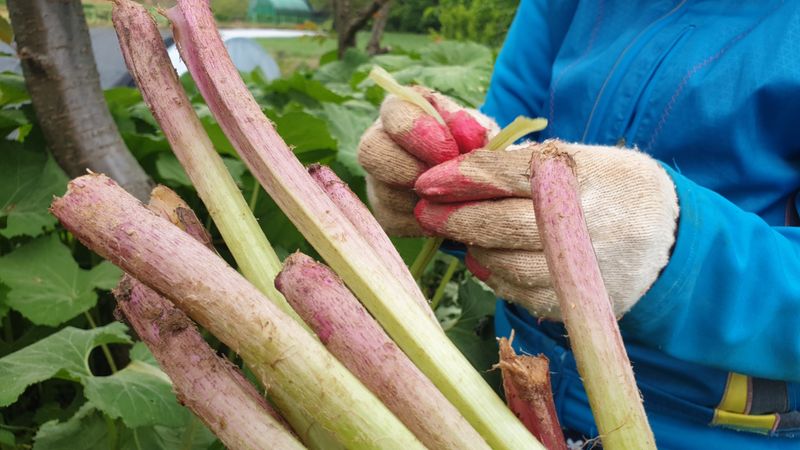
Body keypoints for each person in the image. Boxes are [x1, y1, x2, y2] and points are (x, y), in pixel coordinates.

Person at [357, 1, 800, 448]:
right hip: (512, 395)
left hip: (704, 429)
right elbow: (510, 134)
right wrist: (439, 175)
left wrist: (674, 254)